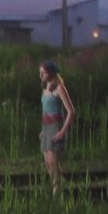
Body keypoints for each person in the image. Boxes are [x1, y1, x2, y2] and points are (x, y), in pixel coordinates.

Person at [39, 59, 74, 195]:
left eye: (44, 72)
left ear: (52, 73)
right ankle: (53, 186)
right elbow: (45, 111)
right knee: (47, 161)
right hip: (46, 126)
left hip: (56, 125)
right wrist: (43, 129)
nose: (41, 75)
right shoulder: (45, 90)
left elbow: (71, 111)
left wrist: (62, 131)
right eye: (40, 72)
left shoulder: (59, 88)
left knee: (53, 161)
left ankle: (57, 189)